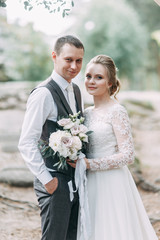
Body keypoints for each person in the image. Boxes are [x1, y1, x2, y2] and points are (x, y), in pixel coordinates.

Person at [77, 55, 158, 239]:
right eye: (88, 76)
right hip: (88, 181)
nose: (91, 81)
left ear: (110, 82)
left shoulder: (117, 111)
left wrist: (90, 164)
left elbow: (128, 155)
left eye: (99, 77)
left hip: (112, 181)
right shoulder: (86, 113)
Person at [18, 35, 84, 240]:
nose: (74, 66)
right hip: (54, 181)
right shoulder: (43, 94)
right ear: (54, 56)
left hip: (75, 180)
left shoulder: (76, 90)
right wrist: (48, 181)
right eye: (68, 59)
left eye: (79, 60)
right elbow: (27, 141)